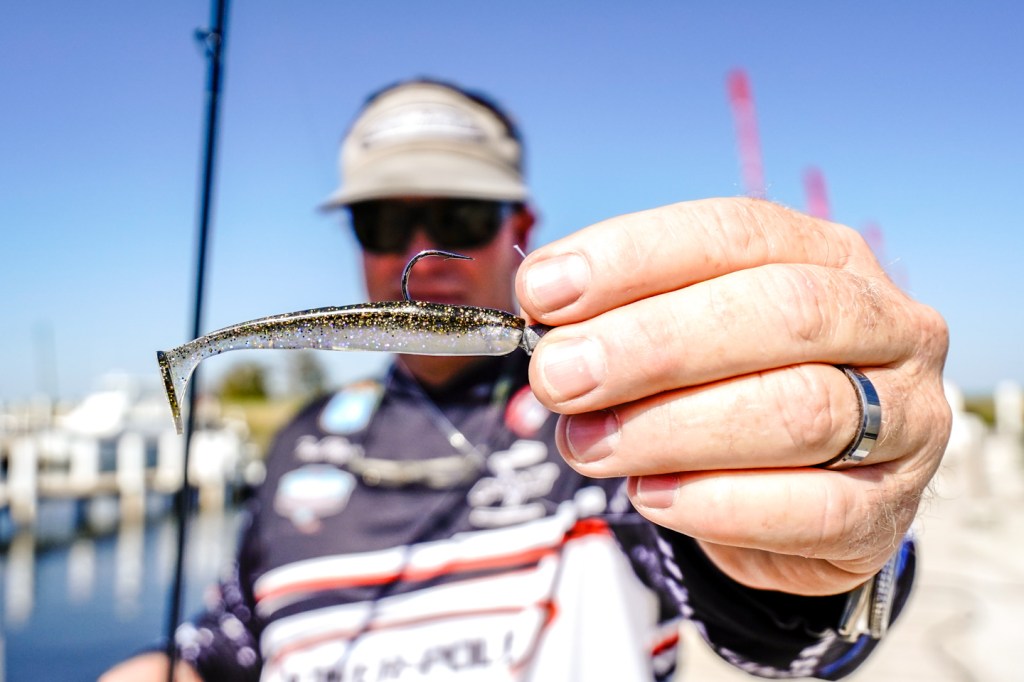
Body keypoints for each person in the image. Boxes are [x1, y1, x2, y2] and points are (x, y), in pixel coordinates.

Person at [102, 78, 950, 681]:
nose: (423, 251)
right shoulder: (298, 447)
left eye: (461, 216)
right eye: (386, 221)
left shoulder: (612, 424)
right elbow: (226, 650)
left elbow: (790, 634)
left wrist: (842, 547)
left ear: (522, 226)